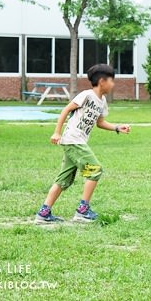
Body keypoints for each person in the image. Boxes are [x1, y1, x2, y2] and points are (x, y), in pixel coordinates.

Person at [35, 64, 131, 223]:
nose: (113, 84)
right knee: (95, 170)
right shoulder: (86, 95)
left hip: (75, 141)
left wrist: (117, 127)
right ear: (102, 81)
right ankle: (82, 211)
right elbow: (66, 110)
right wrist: (57, 132)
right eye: (111, 81)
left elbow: (100, 122)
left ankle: (43, 214)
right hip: (73, 139)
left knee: (63, 180)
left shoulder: (102, 101)